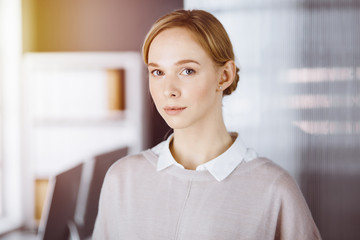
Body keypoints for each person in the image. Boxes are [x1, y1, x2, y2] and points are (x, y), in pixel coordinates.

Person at [93, 9, 321, 239]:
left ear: (224, 76)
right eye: (157, 72)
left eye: (187, 71)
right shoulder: (122, 180)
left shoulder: (274, 189)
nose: (168, 90)